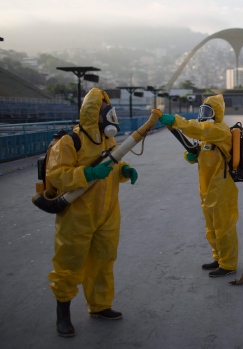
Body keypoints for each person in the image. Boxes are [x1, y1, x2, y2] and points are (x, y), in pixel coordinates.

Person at [47, 88, 138, 337]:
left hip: (107, 213)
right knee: (69, 263)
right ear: (91, 113)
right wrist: (86, 174)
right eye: (102, 109)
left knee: (103, 260)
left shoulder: (108, 140)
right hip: (77, 216)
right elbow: (56, 175)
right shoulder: (69, 142)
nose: (108, 114)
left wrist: (125, 171)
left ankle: (99, 305)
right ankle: (62, 314)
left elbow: (113, 165)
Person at [159, 95, 239, 277]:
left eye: (208, 111)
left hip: (222, 188)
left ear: (217, 113)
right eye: (203, 110)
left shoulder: (219, 130)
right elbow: (205, 156)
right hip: (207, 188)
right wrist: (192, 157)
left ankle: (228, 264)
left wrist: (176, 121)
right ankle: (219, 258)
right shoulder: (208, 135)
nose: (204, 115)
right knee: (211, 227)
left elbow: (197, 129)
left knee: (224, 228)